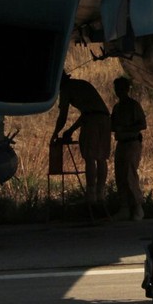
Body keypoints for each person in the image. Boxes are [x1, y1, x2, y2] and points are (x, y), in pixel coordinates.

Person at [52, 73, 112, 209]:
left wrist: (55, 133)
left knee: (90, 157)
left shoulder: (66, 89)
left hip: (93, 121)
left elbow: (63, 116)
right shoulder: (81, 83)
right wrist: (71, 130)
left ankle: (91, 196)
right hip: (105, 120)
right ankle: (100, 194)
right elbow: (89, 111)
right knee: (102, 158)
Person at [110, 76, 147, 221]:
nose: (118, 91)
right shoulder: (117, 107)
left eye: (120, 88)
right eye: (116, 89)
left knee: (130, 174)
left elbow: (142, 124)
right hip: (121, 143)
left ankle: (138, 207)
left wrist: (125, 128)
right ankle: (124, 207)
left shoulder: (133, 105)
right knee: (120, 175)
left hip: (132, 142)